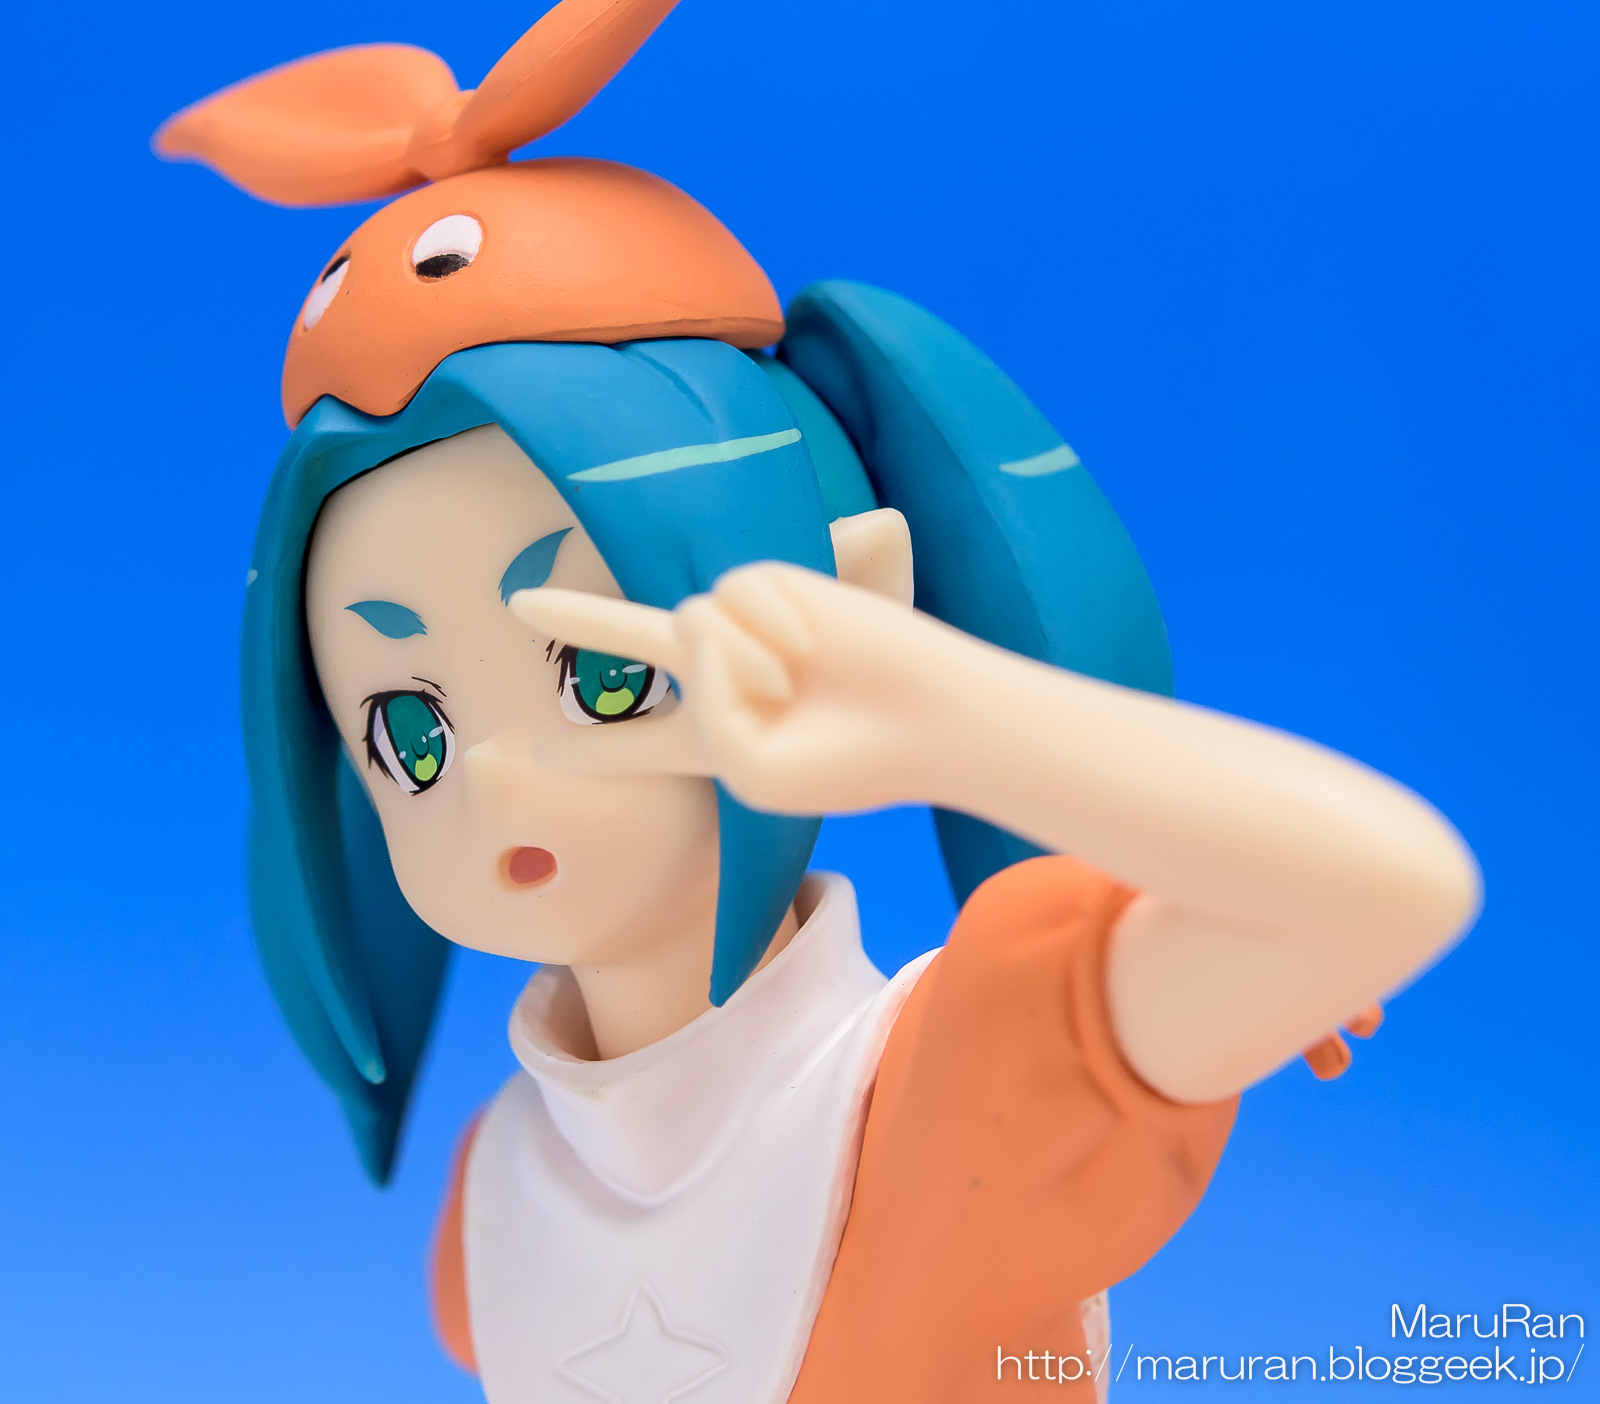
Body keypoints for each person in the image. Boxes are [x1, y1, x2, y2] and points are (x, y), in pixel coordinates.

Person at [155, 3, 1480, 1399]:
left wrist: (950, 717)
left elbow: (1392, 888)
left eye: (603, 677)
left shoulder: (957, 1081)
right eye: (407, 733)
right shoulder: (489, 1214)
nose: (491, 774)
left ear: (860, 601)